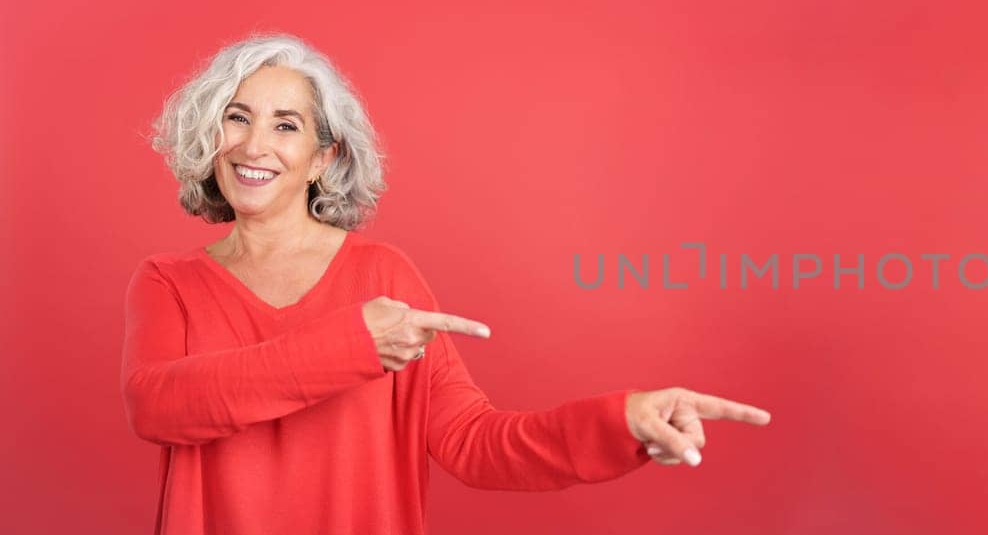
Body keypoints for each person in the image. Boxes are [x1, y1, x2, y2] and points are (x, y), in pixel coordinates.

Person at [123, 33, 772, 534]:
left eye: (286, 125)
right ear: (210, 139)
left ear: (324, 158)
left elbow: (475, 442)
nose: (254, 144)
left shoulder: (383, 276)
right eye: (237, 118)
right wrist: (350, 348)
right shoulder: (168, 282)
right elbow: (161, 406)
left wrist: (620, 421)